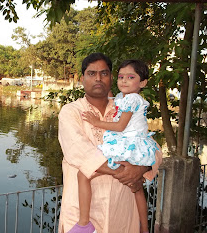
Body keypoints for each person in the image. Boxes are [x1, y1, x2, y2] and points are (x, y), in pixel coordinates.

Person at [58, 53, 162, 233]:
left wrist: (141, 169)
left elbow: (153, 148)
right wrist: (126, 172)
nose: (98, 78)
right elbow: (79, 151)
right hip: (82, 214)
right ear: (82, 79)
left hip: (122, 212)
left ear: (111, 78)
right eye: (91, 73)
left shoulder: (125, 107)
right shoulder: (71, 112)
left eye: (104, 73)